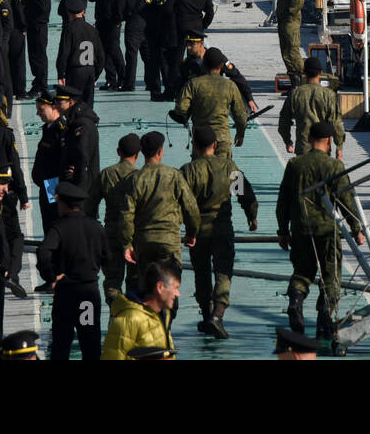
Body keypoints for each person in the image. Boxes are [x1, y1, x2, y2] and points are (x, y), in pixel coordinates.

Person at [277, 121, 365, 340]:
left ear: (309, 139)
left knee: (302, 271)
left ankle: (295, 301)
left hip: (300, 228)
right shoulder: (334, 167)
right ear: (328, 141)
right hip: (327, 230)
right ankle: (325, 319)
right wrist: (356, 229)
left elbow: (283, 200)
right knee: (331, 275)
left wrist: (282, 230)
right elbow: (346, 200)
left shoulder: (295, 165)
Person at [180, 126, 258, 339]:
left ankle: (206, 315)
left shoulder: (187, 170)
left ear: (195, 146)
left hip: (197, 231)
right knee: (223, 271)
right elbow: (245, 192)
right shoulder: (228, 166)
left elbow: (179, 201)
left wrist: (185, 227)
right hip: (222, 227)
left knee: (201, 272)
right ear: (215, 145)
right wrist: (252, 216)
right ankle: (218, 315)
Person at [37, 181, 109, 361]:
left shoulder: (59, 227)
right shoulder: (96, 227)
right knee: (90, 345)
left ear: (64, 204)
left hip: (66, 294)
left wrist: (51, 276)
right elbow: (108, 258)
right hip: (89, 294)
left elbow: (43, 252)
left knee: (61, 344)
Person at [120, 131, 200, 281]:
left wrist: (127, 243)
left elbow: (126, 214)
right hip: (169, 239)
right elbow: (191, 207)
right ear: (160, 151)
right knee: (170, 283)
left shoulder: (135, 178)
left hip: (144, 241)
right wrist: (192, 232)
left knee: (144, 286)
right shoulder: (174, 175)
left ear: (142, 152)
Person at [84, 133, 141, 302]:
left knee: (112, 280)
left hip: (111, 232)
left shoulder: (106, 174)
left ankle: (116, 311)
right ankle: (132, 316)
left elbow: (90, 204)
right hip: (134, 234)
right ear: (138, 154)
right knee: (135, 280)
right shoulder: (140, 175)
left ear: (118, 151)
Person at [174, 47, 248, 160]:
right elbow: (241, 115)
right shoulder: (230, 86)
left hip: (201, 138)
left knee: (199, 173)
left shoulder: (193, 84)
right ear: (221, 66)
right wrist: (240, 134)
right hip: (222, 138)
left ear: (204, 65)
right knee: (223, 173)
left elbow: (181, 108)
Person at [101, 259, 180, 360]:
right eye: (175, 287)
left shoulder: (164, 315)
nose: (178, 294)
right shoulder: (129, 320)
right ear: (160, 287)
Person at [0, 164, 24, 350]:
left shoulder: (7, 203)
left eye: (8, 184)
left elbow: (16, 235)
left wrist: (13, 270)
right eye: (1, 183)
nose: (6, 189)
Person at [31, 91, 81, 233]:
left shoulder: (62, 130)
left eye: (41, 110)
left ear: (53, 107)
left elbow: (68, 157)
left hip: (54, 184)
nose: (38, 114)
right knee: (47, 223)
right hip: (46, 184)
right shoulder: (48, 128)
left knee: (54, 223)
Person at [277, 57, 344, 157]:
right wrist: (339, 146)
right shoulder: (329, 95)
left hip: (303, 148)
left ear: (304, 73)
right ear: (320, 73)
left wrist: (287, 141)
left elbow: (284, 121)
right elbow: (335, 122)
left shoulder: (295, 93)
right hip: (323, 147)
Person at [178, 34, 257, 113]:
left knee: (232, 87)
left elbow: (236, 76)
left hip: (218, 94)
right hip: (200, 100)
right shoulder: (187, 64)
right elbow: (183, 87)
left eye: (192, 44)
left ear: (201, 44)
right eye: (187, 44)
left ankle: (245, 112)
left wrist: (249, 99)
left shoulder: (215, 56)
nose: (188, 47)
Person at [165, 0, 214, 84]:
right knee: (197, 57)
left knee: (177, 59)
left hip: (180, 28)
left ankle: (174, 86)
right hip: (197, 28)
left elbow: (167, 10)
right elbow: (210, 12)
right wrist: (203, 25)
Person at [56, 0, 104, 106]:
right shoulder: (92, 29)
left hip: (75, 71)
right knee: (88, 104)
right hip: (90, 70)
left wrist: (61, 74)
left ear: (69, 13)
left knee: (73, 104)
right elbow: (100, 55)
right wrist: (96, 74)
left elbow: (64, 53)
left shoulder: (69, 29)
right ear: (83, 11)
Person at [88, 0, 127, 91]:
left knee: (114, 51)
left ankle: (123, 78)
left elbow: (120, 5)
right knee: (104, 52)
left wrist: (117, 21)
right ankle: (111, 80)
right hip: (101, 22)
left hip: (112, 23)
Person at [53, 85, 99, 189]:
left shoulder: (81, 124)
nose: (56, 106)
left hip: (81, 185)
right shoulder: (73, 120)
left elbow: (82, 153)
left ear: (71, 102)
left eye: (59, 103)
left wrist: (78, 174)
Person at [272, 0, 305, 87]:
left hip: (290, 21)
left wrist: (289, 14)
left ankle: (304, 81)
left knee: (293, 50)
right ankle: (294, 83)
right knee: (285, 51)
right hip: (284, 20)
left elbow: (298, 0)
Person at [143, 0, 175, 101]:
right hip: (153, 33)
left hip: (160, 32)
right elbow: (142, 8)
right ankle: (155, 91)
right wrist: (153, 21)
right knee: (155, 62)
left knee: (162, 61)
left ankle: (166, 90)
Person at [20, 0, 50, 96]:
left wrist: (26, 0)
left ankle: (41, 85)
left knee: (39, 57)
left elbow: (41, 7)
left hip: (39, 27)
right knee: (34, 57)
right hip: (34, 26)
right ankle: (38, 82)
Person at [120, 0, 149, 92]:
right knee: (147, 56)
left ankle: (129, 83)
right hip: (147, 23)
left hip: (134, 24)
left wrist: (125, 16)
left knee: (131, 55)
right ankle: (151, 82)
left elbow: (130, 6)